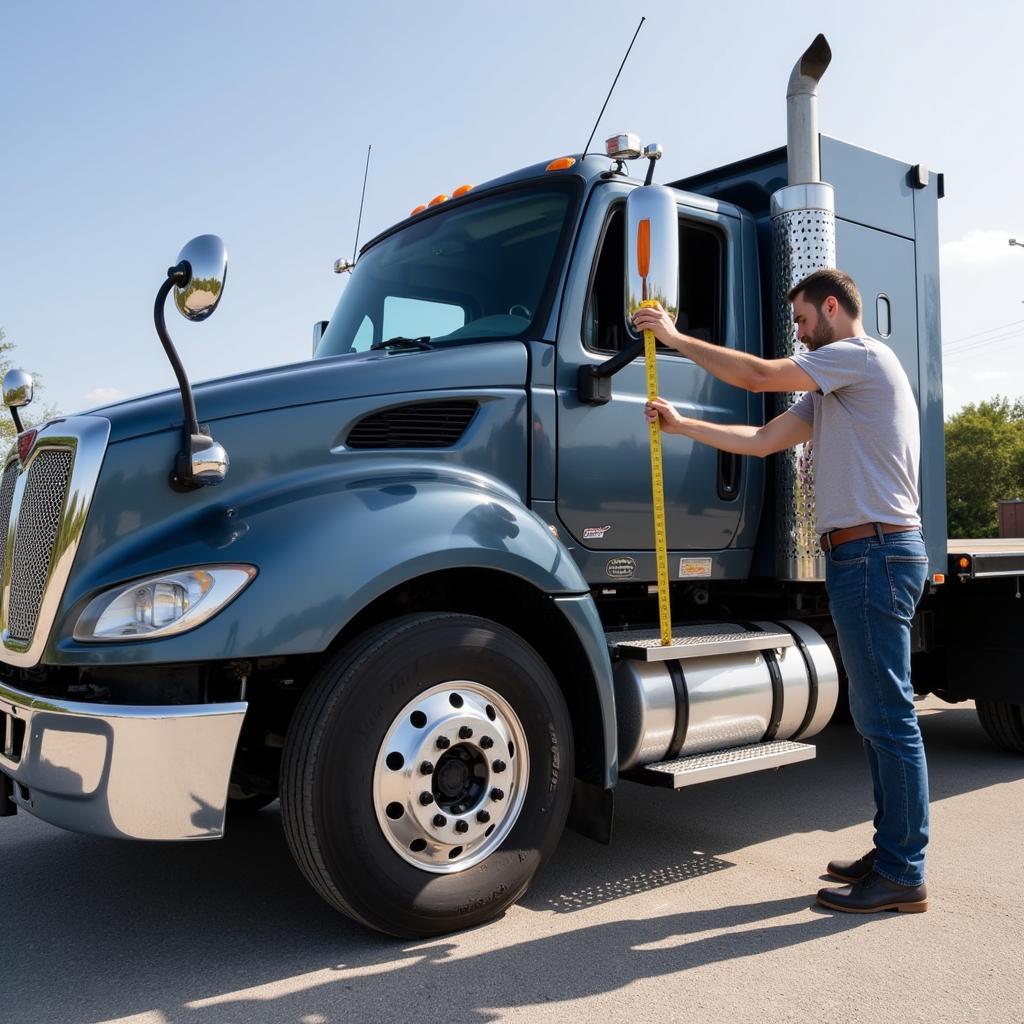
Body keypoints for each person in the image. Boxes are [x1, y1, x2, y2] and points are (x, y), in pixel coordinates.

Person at [634, 268, 930, 914]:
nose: (798, 333)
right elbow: (765, 441)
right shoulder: (833, 390)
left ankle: (904, 871)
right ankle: (892, 850)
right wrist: (683, 427)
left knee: (889, 718)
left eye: (801, 320)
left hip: (875, 554)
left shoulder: (860, 357)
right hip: (864, 556)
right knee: (878, 719)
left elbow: (758, 377)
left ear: (832, 308)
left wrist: (675, 339)